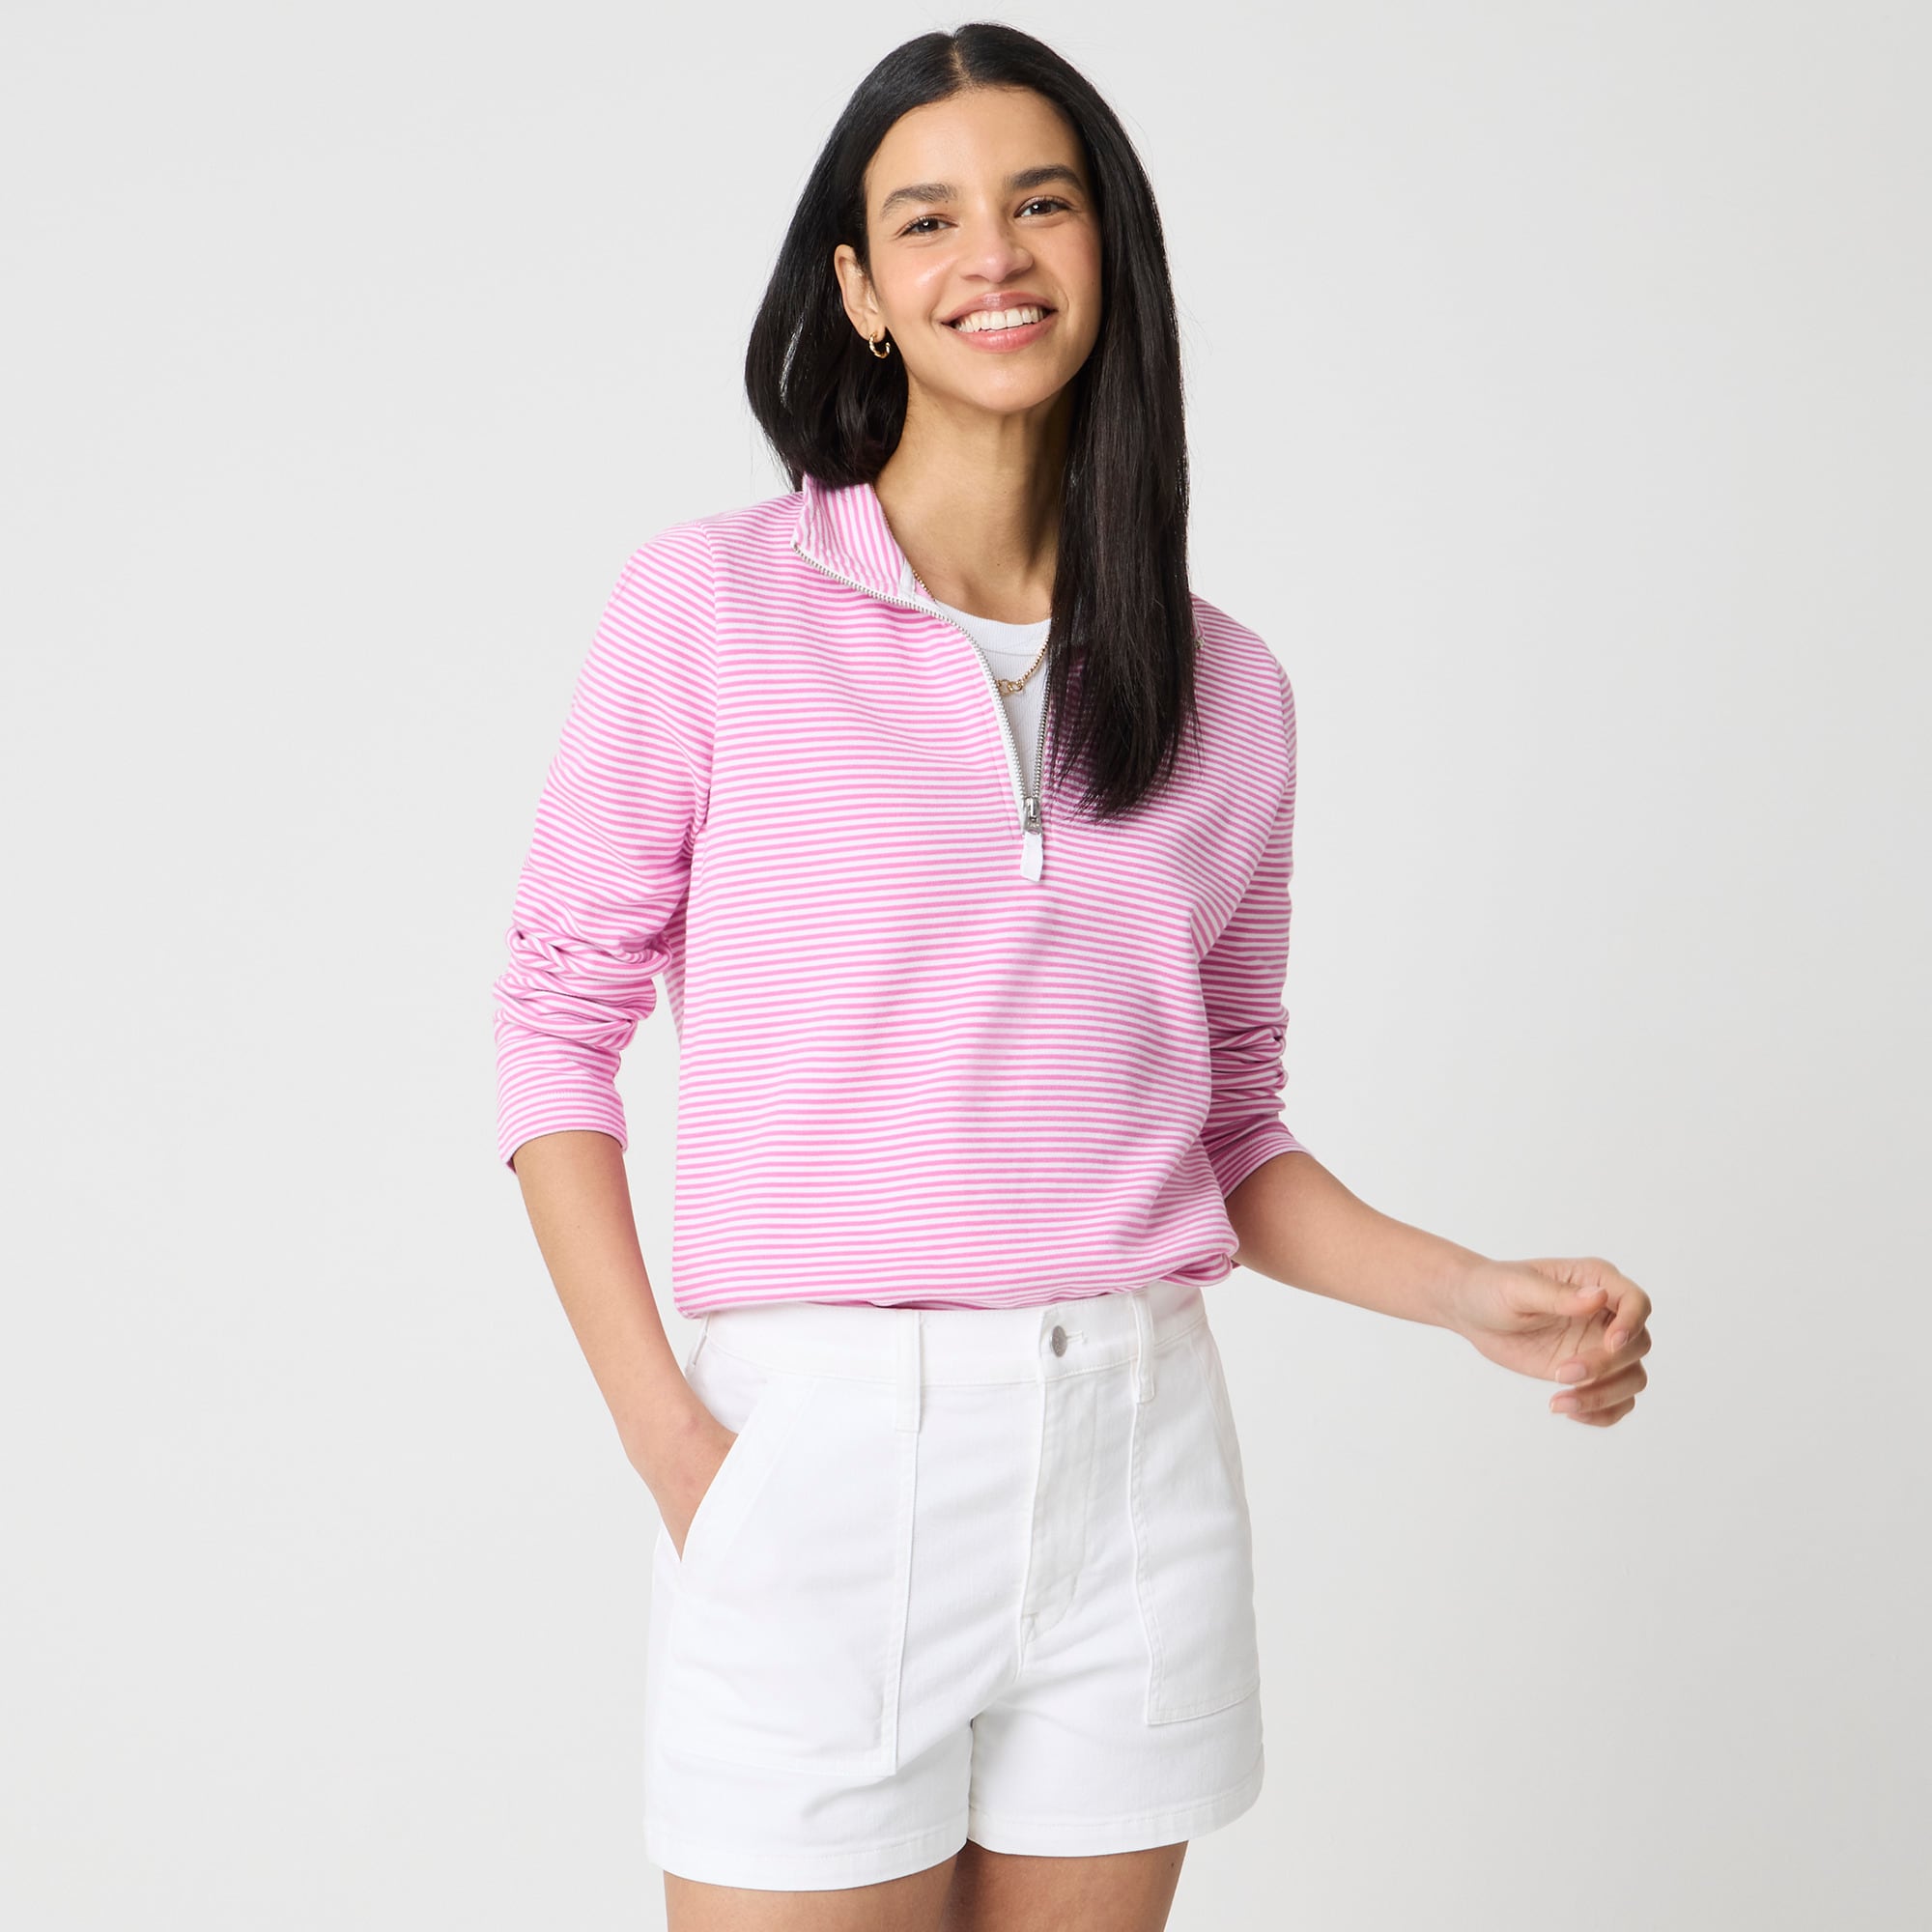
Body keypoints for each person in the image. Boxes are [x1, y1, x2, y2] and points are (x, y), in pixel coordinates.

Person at [491, 23, 1654, 1931]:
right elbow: (554, 1032)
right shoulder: (709, 606)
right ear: (859, 289)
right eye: (926, 219)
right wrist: (678, 1451)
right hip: (815, 1457)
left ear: (1106, 245)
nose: (994, 256)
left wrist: (1467, 1295)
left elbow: (1226, 1126)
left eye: (1040, 203)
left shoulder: (1228, 687)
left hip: (1132, 1460)